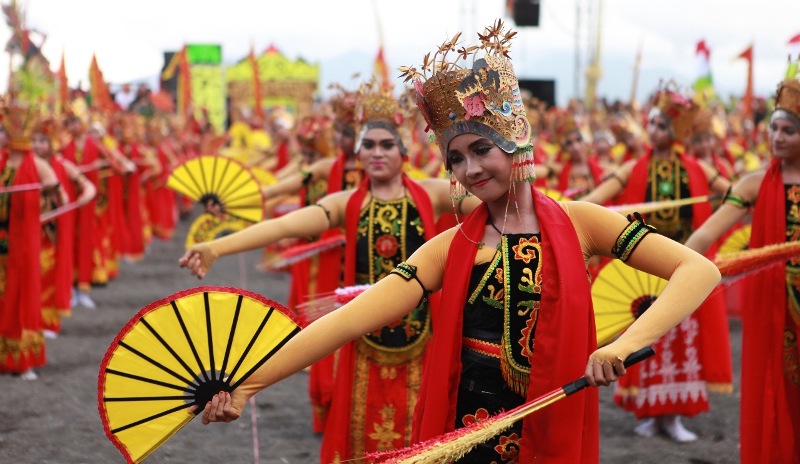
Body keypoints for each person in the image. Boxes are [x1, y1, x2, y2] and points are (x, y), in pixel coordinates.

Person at [191, 21, 720, 463]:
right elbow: (347, 321)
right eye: (456, 159)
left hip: (552, 418)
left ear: (515, 139)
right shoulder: (449, 248)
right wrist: (247, 386)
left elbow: (698, 270)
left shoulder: (583, 223)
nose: (468, 169)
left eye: (480, 150)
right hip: (468, 430)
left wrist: (623, 345)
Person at [181, 79, 480, 462]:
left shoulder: (433, 192)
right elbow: (287, 226)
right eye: (368, 145)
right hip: (361, 331)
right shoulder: (344, 202)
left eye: (387, 144)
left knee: (418, 425)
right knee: (359, 423)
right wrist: (217, 246)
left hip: (422, 334)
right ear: (358, 154)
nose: (377, 152)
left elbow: (498, 205)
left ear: (404, 152)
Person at [583, 86, 732, 442]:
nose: (654, 130)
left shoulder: (698, 169)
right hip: (645, 269)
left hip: (684, 266)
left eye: (662, 124)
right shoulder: (634, 166)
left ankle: (674, 416)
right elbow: (595, 200)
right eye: (651, 123)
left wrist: (727, 193)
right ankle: (651, 414)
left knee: (681, 342)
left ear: (677, 131)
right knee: (646, 336)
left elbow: (735, 194)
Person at [684, 76, 800, 463]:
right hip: (776, 310)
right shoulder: (752, 185)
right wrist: (672, 265)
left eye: (789, 130)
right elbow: (704, 237)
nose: (777, 137)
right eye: (773, 127)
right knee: (779, 391)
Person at [0, 103, 59, 380]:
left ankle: (22, 360)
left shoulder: (35, 163)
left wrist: (45, 191)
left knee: (20, 296)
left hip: (20, 241)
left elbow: (57, 187)